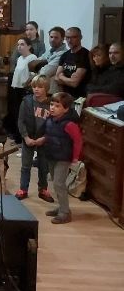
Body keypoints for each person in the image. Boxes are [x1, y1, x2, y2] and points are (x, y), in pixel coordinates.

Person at [38, 92, 83, 224]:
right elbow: (49, 135)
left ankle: (65, 212)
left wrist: (75, 158)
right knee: (55, 183)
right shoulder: (50, 120)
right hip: (52, 154)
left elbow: (78, 141)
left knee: (59, 183)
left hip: (64, 157)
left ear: (66, 108)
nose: (52, 108)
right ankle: (61, 206)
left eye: (57, 106)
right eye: (51, 104)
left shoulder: (69, 124)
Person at [16, 75, 53, 202]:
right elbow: (21, 121)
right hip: (29, 138)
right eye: (34, 86)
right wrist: (25, 137)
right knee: (25, 165)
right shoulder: (26, 101)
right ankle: (23, 189)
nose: (36, 89)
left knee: (44, 166)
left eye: (40, 87)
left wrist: (45, 138)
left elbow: (54, 124)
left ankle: (43, 189)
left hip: (44, 139)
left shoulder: (51, 104)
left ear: (46, 89)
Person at [5, 37, 38, 143]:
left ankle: (23, 138)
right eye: (18, 44)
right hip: (15, 88)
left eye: (22, 44)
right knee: (15, 113)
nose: (19, 46)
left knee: (23, 114)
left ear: (29, 46)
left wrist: (26, 84)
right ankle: (17, 136)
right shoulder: (19, 58)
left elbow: (33, 74)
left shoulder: (32, 57)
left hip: (24, 90)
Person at [55, 27, 91, 99]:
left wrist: (62, 77)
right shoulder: (65, 55)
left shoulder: (86, 55)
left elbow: (74, 83)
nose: (69, 40)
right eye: (67, 37)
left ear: (80, 37)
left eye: (73, 37)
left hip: (80, 97)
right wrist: (68, 80)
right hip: (65, 96)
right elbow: (56, 78)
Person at [33, 26, 68, 94]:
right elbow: (33, 63)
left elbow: (45, 72)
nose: (53, 39)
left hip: (52, 91)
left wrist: (38, 66)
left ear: (63, 39)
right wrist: (41, 64)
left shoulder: (63, 54)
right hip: (42, 89)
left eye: (56, 37)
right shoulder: (49, 51)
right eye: (51, 37)